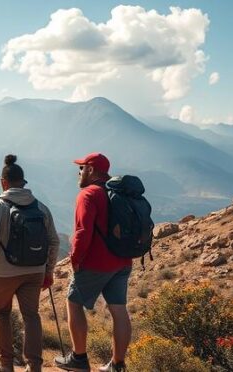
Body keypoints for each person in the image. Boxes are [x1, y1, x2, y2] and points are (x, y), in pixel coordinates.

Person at [0, 155, 60, 372]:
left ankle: (5, 363)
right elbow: (54, 241)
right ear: (23, 182)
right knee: (31, 316)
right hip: (35, 271)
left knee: (1, 313)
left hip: (4, 272)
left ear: (3, 182)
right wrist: (49, 271)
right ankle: (34, 366)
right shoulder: (41, 208)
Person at [54, 153, 132, 372]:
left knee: (73, 303)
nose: (79, 173)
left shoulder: (88, 194)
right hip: (123, 261)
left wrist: (76, 259)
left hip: (97, 262)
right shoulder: (118, 193)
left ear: (90, 170)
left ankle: (78, 358)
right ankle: (117, 365)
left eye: (81, 168)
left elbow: (82, 231)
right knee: (119, 310)